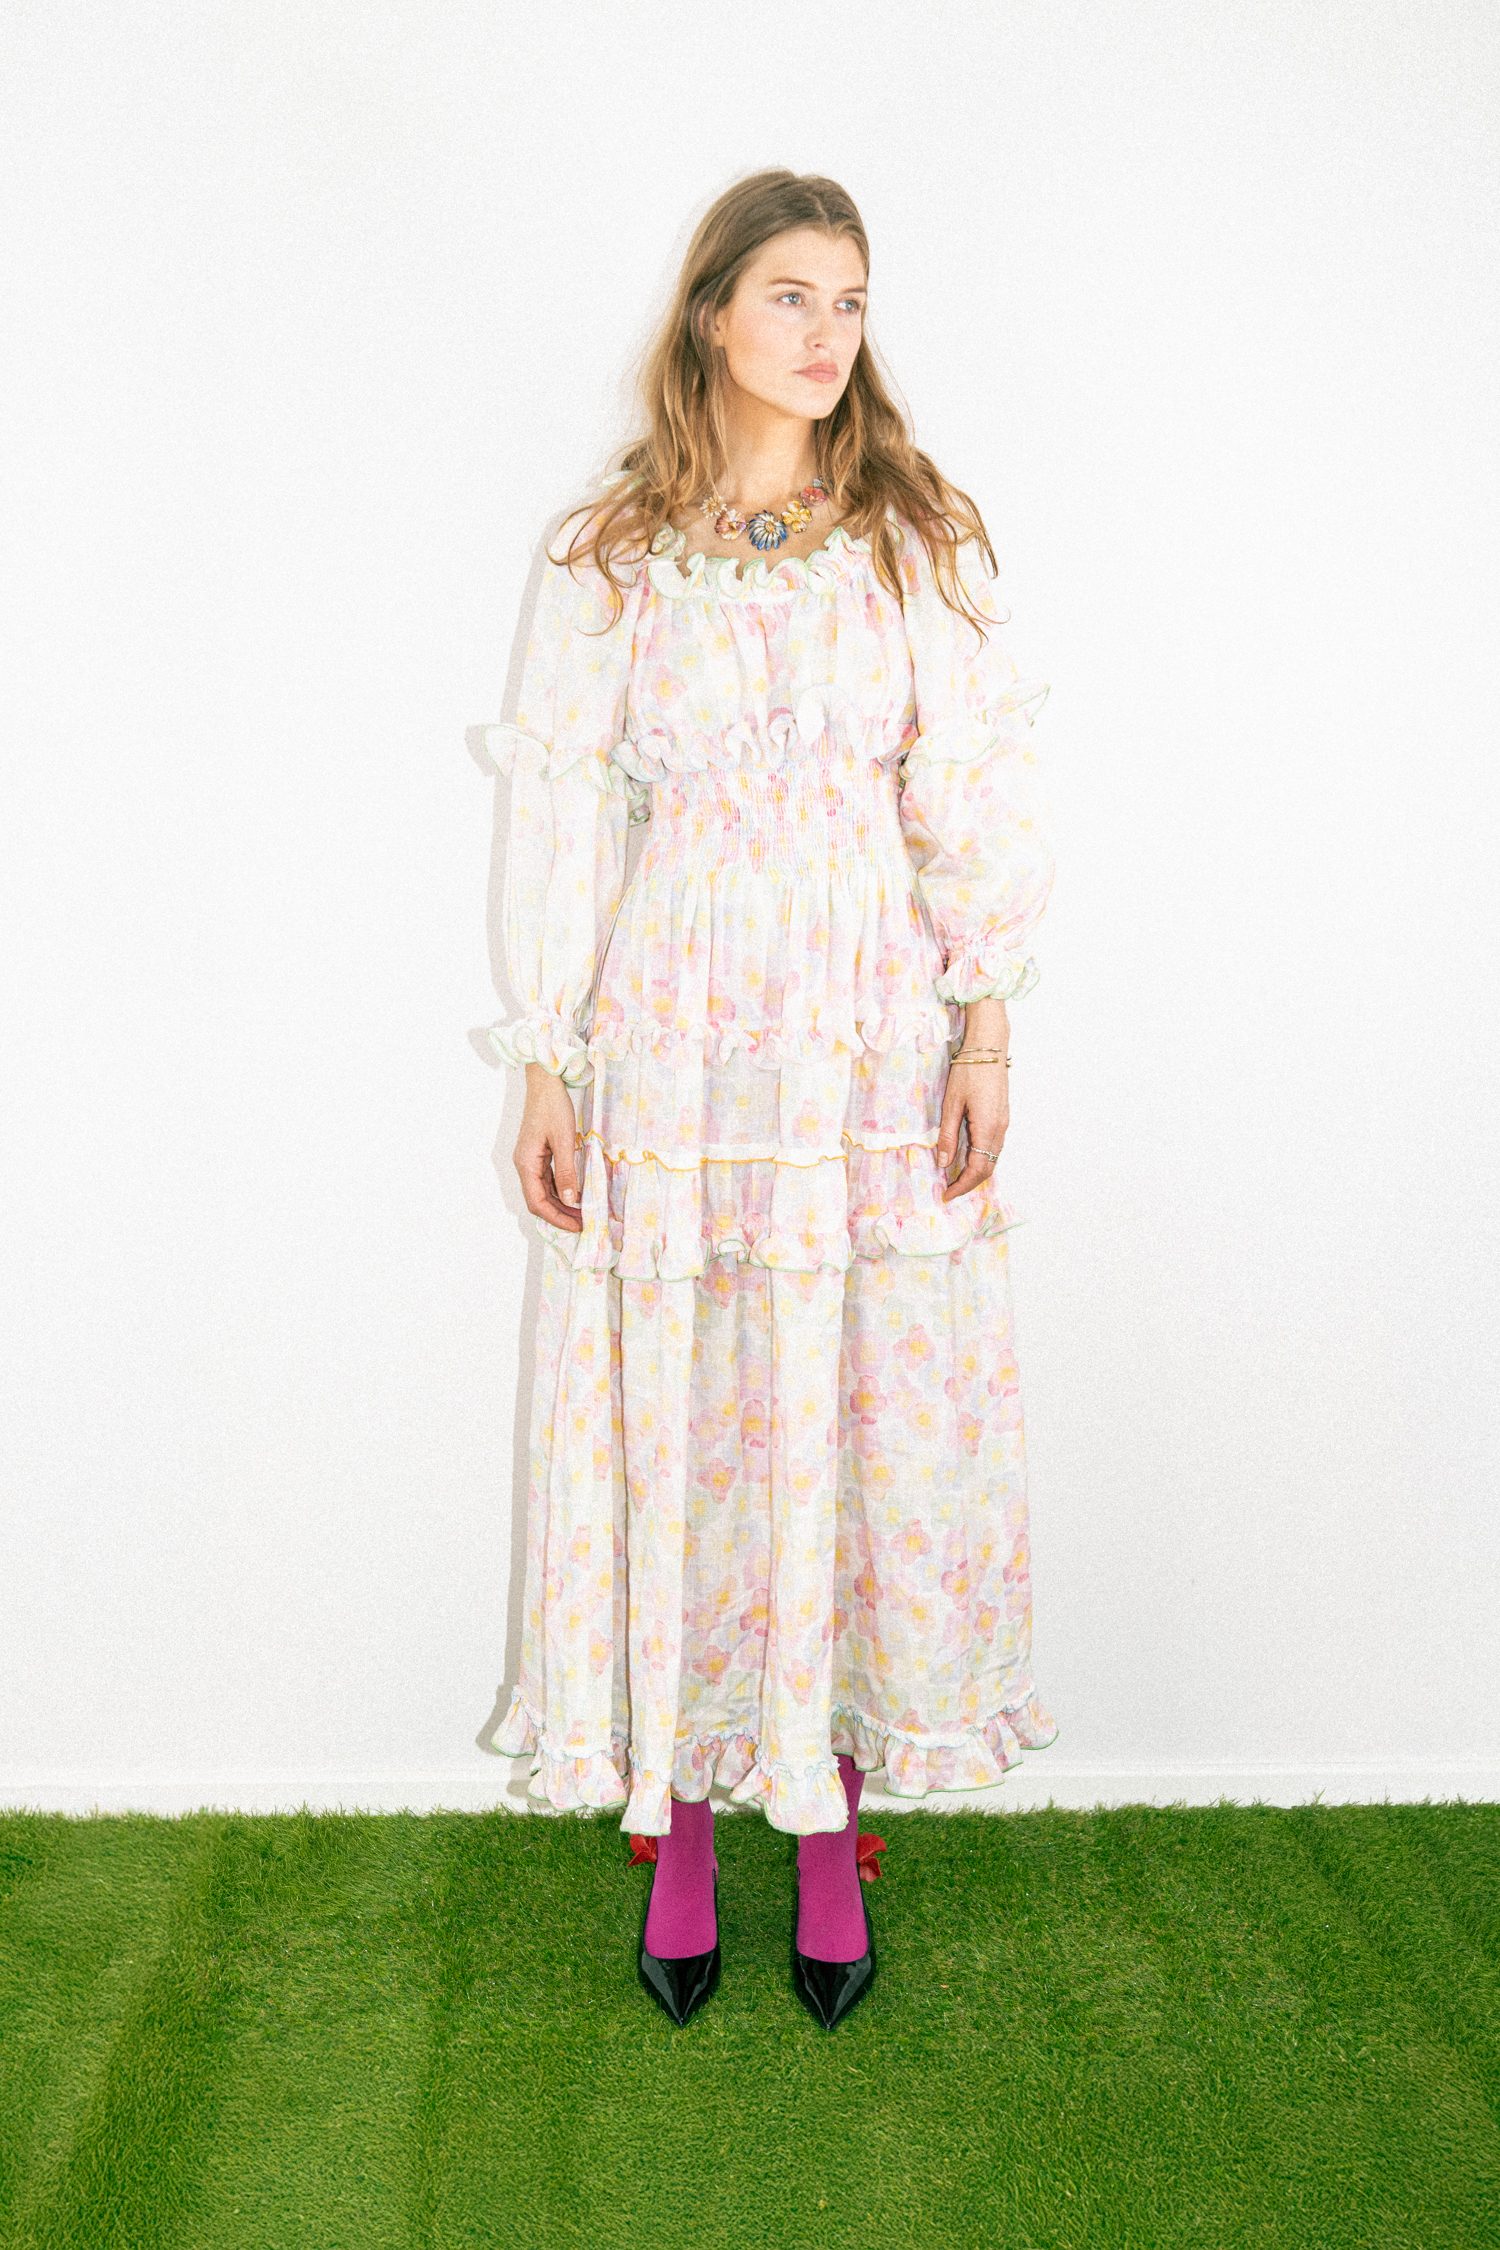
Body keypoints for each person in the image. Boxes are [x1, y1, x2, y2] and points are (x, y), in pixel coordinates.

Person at [474, 169, 1059, 2030]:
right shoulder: (614, 555)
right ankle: (686, 1822)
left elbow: (972, 787)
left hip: (865, 1030)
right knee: (695, 1412)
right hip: (677, 1032)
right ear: (713, 310)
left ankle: (829, 1824)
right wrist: (548, 1053)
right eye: (792, 294)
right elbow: (566, 808)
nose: (825, 333)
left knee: (852, 1407)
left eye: (851, 301)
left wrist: (983, 1027)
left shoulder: (911, 536)